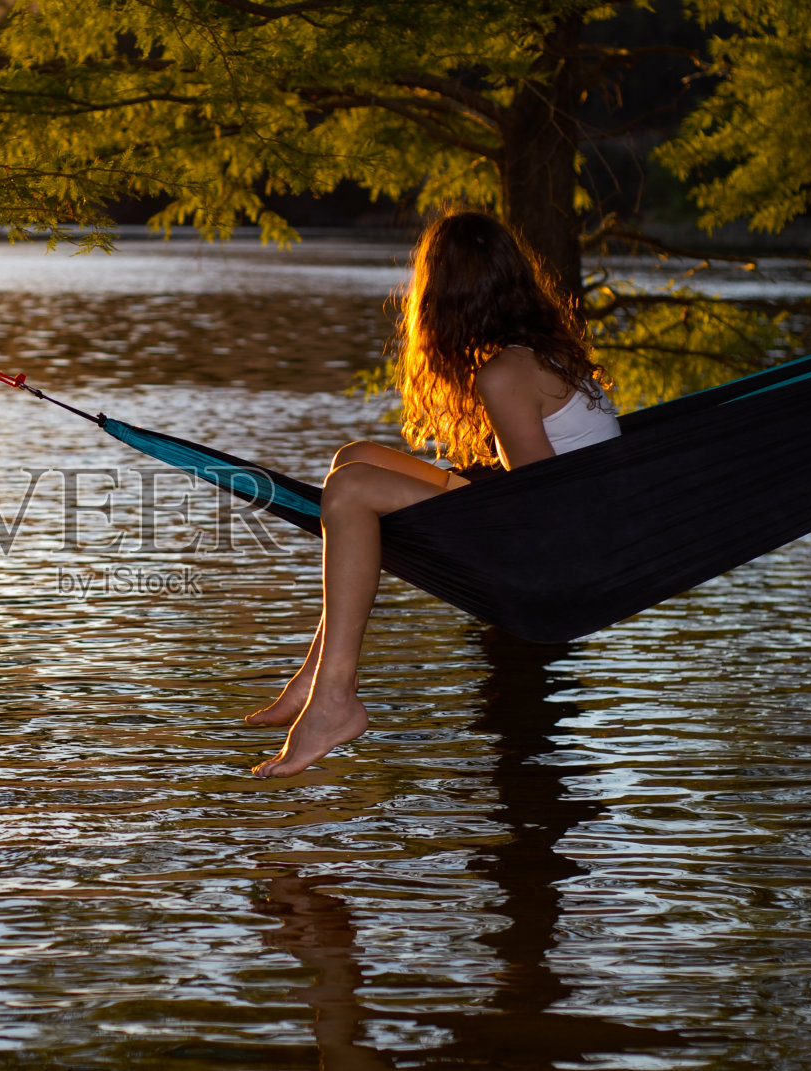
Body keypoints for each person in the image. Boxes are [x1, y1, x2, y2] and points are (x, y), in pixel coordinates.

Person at [248, 210, 619, 778]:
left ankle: (335, 699)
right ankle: (315, 673)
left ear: (445, 298)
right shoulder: (538, 351)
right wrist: (454, 488)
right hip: (567, 519)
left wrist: (452, 498)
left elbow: (543, 501)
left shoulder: (507, 373)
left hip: (561, 547)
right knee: (356, 457)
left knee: (349, 492)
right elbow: (540, 479)